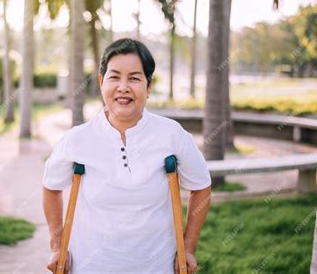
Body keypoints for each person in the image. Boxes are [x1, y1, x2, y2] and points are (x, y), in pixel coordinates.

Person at [43, 38, 211, 274]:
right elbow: (51, 187)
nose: (123, 87)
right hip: (90, 266)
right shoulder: (77, 139)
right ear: (101, 82)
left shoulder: (172, 135)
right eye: (114, 77)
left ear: (148, 86)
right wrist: (56, 245)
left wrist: (189, 248)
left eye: (134, 78)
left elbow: (201, 185)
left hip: (157, 267)